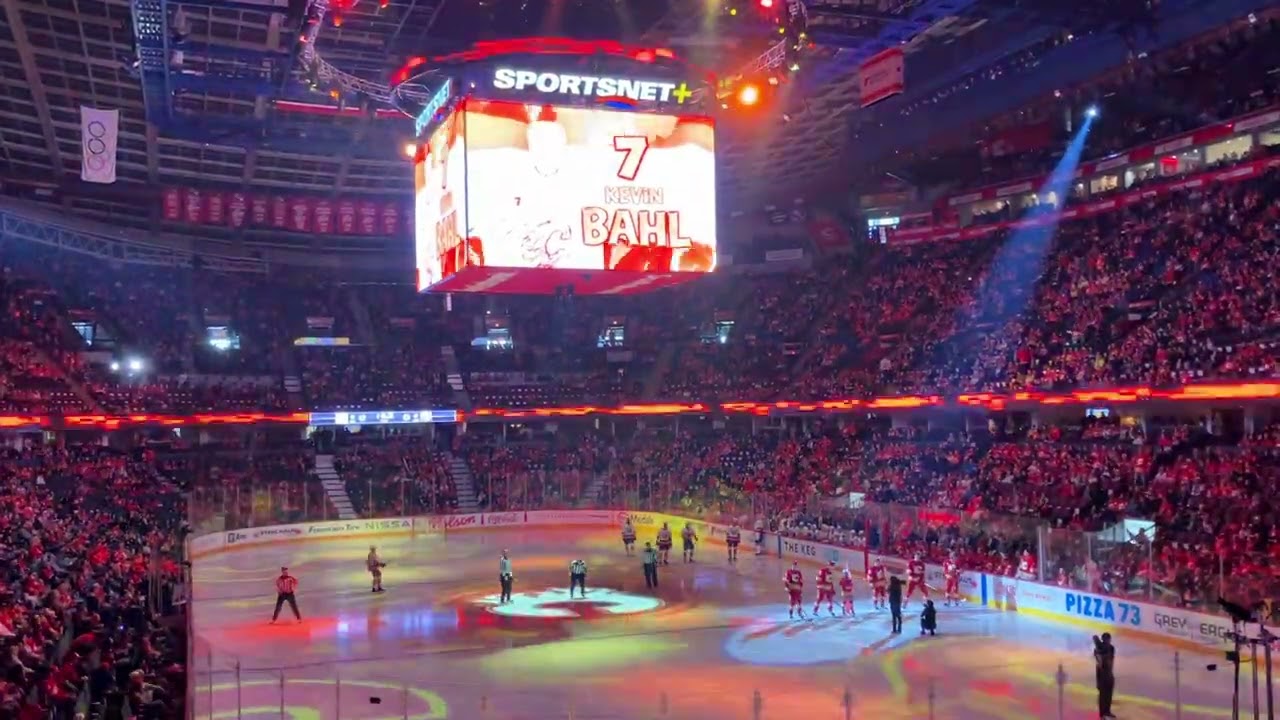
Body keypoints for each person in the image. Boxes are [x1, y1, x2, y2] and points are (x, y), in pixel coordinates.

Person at [1093, 633, 1116, 719]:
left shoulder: (1111, 648)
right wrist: (1099, 649)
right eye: (1106, 639)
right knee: (1103, 695)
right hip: (1102, 674)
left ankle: (1107, 712)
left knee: (1109, 695)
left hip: (1109, 674)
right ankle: (1102, 714)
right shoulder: (1098, 649)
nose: (1108, 641)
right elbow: (1099, 663)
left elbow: (1110, 658)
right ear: (1103, 639)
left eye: (1109, 639)